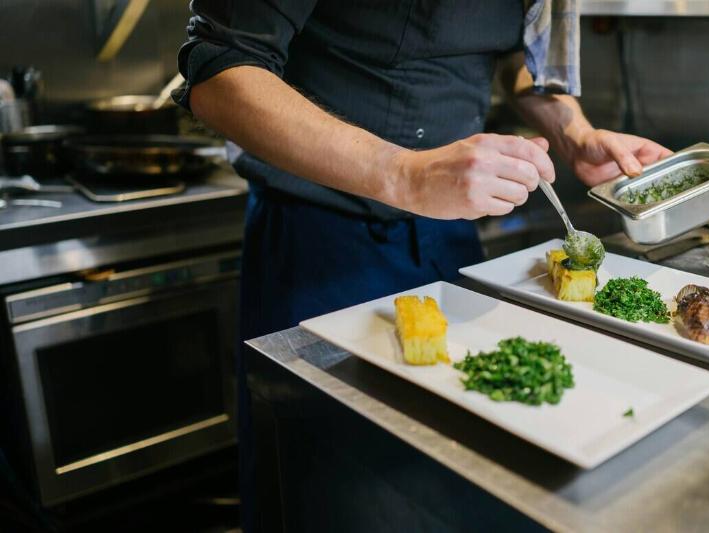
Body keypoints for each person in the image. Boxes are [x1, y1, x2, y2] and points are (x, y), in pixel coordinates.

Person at [174, 1, 670, 530]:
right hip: (321, 243)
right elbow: (220, 71)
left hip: (449, 242)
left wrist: (576, 136)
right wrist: (405, 176)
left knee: (446, 488)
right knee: (334, 494)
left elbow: (510, 55)